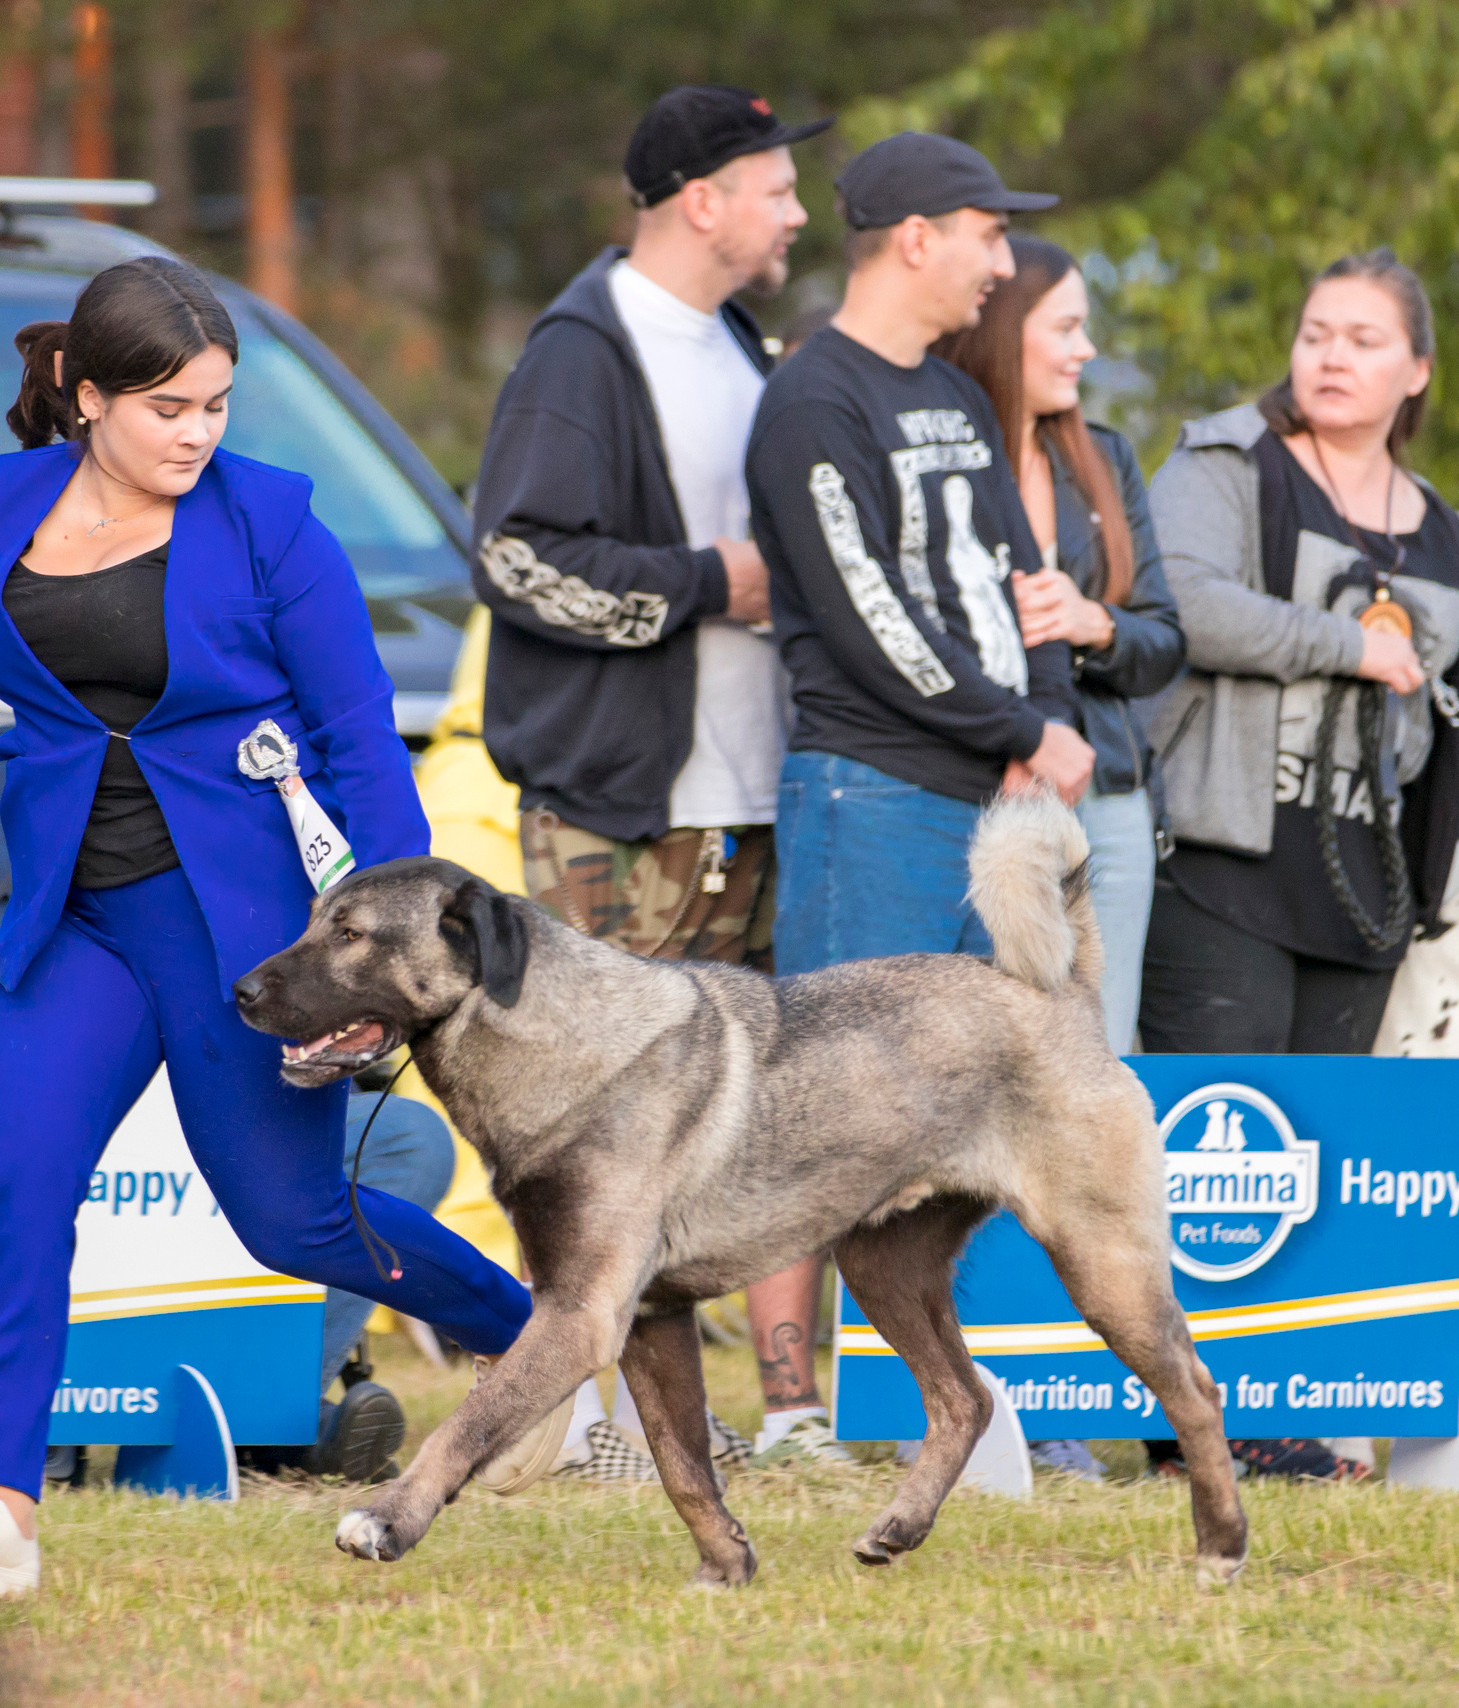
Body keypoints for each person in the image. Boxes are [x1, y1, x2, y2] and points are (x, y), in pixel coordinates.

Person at [0, 256, 535, 1600]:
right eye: (170, 407)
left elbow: (358, 734)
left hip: (248, 934)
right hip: (73, 915)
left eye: (216, 408)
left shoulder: (272, 524)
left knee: (288, 1224)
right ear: (84, 394)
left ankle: (544, 1343)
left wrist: (394, 938)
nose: (197, 433)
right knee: (12, 1184)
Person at [470, 84, 843, 1475]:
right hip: (623, 810)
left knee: (722, 1133)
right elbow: (515, 556)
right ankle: (580, 1428)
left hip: (747, 797)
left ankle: (724, 1418)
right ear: (704, 199)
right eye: (776, 184)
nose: (798, 208)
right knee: (603, 1125)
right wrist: (709, 583)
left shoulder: (740, 346)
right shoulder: (587, 348)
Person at [1137, 249, 1459, 1482]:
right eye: (1315, 332)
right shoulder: (1226, 469)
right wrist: (1344, 648)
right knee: (1208, 1147)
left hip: (1369, 887)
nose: (1331, 357)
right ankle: (1181, 1420)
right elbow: (1186, 605)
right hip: (1222, 860)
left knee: (1307, 1160)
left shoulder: (1455, 545)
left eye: (1363, 339)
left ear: (1416, 369)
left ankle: (1272, 1409)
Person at [0, 730, 438, 1482]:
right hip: (43, 1079)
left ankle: (251, 1410)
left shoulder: (242, 768)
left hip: (222, 1069)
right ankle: (266, 1424)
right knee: (29, 1173)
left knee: (408, 1140)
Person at [745, 132, 1089, 975]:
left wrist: (1046, 723)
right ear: (916, 239)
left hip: (1006, 799)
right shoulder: (812, 402)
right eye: (989, 234)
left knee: (990, 1093)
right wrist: (1023, 730)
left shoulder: (958, 393)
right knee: (856, 1096)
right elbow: (870, 615)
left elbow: (1026, 577)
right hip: (875, 799)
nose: (1002, 265)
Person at [932, 236, 1185, 1057]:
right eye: (1068, 327)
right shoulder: (937, 456)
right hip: (971, 788)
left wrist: (1092, 623)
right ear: (1004, 330)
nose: (1089, 349)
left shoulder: (1103, 457)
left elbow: (1163, 640)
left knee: (1094, 1054)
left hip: (1105, 797)